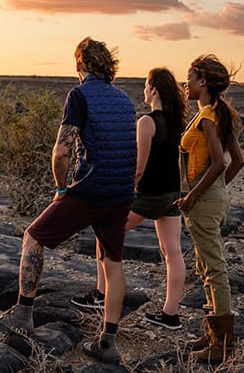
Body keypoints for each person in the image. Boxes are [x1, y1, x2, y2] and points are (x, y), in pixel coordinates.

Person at [0, 37, 137, 365]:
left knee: (33, 237)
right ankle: (107, 341)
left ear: (80, 64)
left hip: (89, 189)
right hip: (121, 193)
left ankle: (23, 315)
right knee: (113, 262)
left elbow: (62, 149)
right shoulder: (125, 99)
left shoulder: (79, 95)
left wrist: (61, 187)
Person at [71, 67, 187, 331]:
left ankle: (102, 295)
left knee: (104, 232)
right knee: (173, 252)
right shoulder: (177, 121)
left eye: (147, 85)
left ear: (154, 88)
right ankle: (171, 315)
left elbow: (138, 167)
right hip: (171, 194)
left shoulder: (147, 122)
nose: (144, 90)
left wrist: (122, 190)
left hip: (147, 196)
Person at [174, 54, 244, 364]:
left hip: (202, 201)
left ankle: (223, 347)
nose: (184, 83)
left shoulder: (208, 117)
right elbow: (237, 162)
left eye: (188, 77)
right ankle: (214, 334)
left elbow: (220, 163)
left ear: (202, 82)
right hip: (210, 197)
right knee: (206, 268)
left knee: (214, 269)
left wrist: (194, 197)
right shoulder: (216, 112)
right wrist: (216, 191)